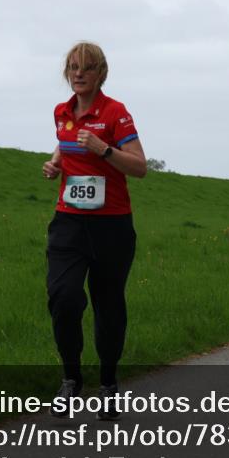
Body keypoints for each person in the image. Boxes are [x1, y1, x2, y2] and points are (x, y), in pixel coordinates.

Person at [42, 42, 148, 419]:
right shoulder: (62, 112)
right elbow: (64, 141)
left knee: (108, 306)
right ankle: (70, 380)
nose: (77, 74)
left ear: (100, 73)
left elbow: (139, 166)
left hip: (112, 226)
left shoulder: (115, 113)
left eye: (86, 68)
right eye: (72, 67)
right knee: (63, 298)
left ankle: (108, 384)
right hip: (69, 222)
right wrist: (55, 162)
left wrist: (104, 149)